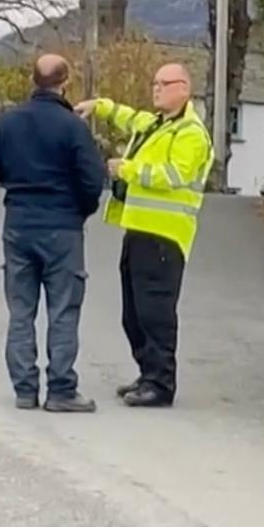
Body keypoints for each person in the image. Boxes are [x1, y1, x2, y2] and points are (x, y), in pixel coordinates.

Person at [74, 63, 213, 408]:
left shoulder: (191, 133)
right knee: (133, 313)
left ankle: (160, 383)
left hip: (165, 235)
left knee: (155, 313)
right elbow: (129, 118)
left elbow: (175, 174)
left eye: (164, 84)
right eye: (155, 83)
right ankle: (147, 372)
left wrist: (128, 169)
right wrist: (100, 106)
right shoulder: (156, 124)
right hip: (139, 229)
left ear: (184, 88)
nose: (156, 89)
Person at [0, 54, 105, 412]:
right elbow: (92, 181)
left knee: (21, 310)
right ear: (65, 82)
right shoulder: (73, 127)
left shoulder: (9, 121)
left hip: (18, 224)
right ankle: (61, 390)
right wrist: (80, 210)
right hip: (62, 227)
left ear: (34, 81)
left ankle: (24, 389)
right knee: (63, 308)